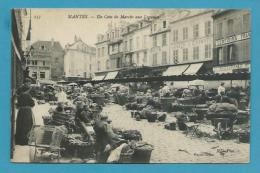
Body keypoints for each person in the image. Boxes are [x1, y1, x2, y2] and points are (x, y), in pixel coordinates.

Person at [15, 78, 35, 145]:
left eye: (30, 83)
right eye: (29, 83)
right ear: (25, 83)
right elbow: (32, 104)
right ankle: (25, 141)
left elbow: (17, 100)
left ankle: (19, 140)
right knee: (27, 125)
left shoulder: (19, 91)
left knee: (20, 124)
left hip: (21, 110)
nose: (29, 85)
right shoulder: (27, 93)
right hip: (27, 111)